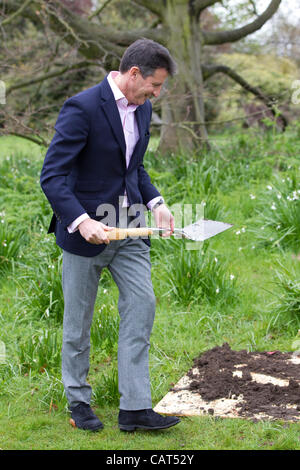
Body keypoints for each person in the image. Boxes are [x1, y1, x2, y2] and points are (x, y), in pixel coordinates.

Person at [40, 39, 180, 432]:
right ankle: (78, 401)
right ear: (133, 73)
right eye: (154, 84)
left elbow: (133, 168)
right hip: (87, 232)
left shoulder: (143, 108)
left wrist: (156, 203)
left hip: (132, 227)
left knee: (142, 306)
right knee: (78, 323)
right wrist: (82, 221)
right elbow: (51, 175)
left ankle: (134, 408)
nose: (157, 93)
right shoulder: (82, 107)